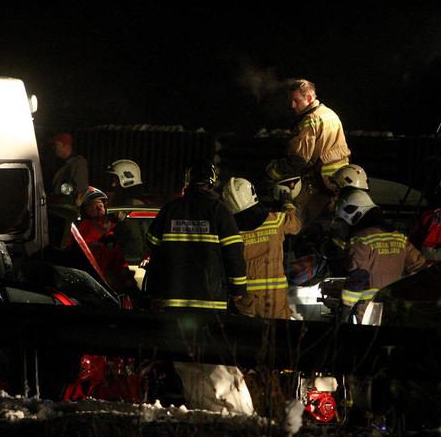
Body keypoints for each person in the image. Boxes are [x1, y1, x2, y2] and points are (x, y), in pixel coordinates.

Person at [145, 159, 253, 415]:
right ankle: (223, 412)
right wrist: (239, 288)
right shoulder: (219, 212)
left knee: (185, 360)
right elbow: (234, 253)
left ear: (188, 181)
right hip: (210, 303)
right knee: (210, 359)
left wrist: (155, 293)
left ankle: (192, 406)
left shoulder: (170, 209)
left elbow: (151, 245)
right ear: (212, 183)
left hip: (174, 303)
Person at [268, 79, 352, 229]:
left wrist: (272, 172)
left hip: (319, 182)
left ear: (309, 98)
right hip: (340, 181)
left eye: (296, 101)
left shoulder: (310, 120)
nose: (292, 106)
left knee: (297, 223)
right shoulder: (329, 113)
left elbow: (299, 159)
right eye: (290, 100)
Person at [337, 190, 425, 323]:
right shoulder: (399, 237)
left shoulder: (360, 239)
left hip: (367, 312)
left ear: (353, 215)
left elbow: (358, 278)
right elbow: (419, 267)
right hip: (395, 308)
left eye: (343, 221)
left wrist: (345, 308)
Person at [223, 177, 302, 319]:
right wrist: (288, 203)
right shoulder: (275, 220)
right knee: (277, 336)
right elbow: (295, 225)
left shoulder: (230, 230)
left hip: (245, 299)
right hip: (274, 297)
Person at [75, 186, 137, 296]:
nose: (99, 209)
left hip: (104, 288)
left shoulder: (108, 233)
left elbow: (116, 260)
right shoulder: (84, 229)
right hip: (90, 287)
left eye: (101, 205)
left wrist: (127, 278)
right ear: (85, 210)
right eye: (94, 207)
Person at [49, 132, 89, 205]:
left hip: (68, 209)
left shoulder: (78, 163)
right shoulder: (62, 163)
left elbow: (80, 189)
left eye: (56, 145)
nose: (53, 148)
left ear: (65, 146)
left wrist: (60, 197)